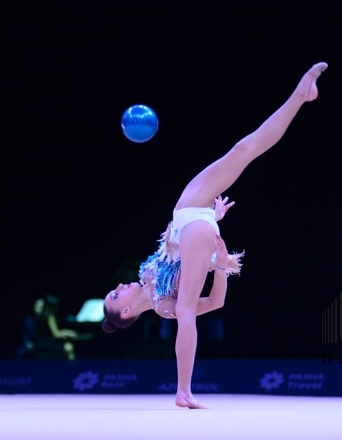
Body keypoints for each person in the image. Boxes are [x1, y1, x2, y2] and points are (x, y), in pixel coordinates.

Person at [102, 61, 328, 408]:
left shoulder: (146, 278)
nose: (118, 288)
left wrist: (211, 216)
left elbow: (173, 249)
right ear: (129, 312)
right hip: (197, 226)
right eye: (115, 297)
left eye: (113, 291)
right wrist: (220, 267)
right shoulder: (164, 307)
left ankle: (301, 97)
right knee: (188, 313)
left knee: (243, 149)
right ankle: (183, 390)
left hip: (188, 213)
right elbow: (216, 302)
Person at [16, 295, 78, 360]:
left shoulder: (41, 316)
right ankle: (72, 368)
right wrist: (69, 332)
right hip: (46, 345)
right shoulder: (50, 316)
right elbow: (56, 334)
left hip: (40, 343)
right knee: (69, 347)